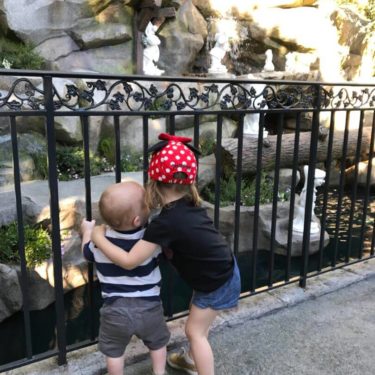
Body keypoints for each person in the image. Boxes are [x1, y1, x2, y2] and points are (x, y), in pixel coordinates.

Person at [92, 133, 241, 375]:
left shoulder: (165, 224)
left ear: (154, 181)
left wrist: (98, 238)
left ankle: (200, 366)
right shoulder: (189, 204)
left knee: (195, 332)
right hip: (221, 272)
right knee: (199, 323)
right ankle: (191, 360)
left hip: (216, 282)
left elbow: (130, 261)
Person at [81, 181, 170, 375]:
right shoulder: (150, 240)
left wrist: (88, 232)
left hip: (115, 310)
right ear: (137, 220)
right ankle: (159, 373)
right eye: (147, 203)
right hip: (150, 306)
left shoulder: (100, 243)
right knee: (157, 344)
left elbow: (86, 253)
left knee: (114, 352)